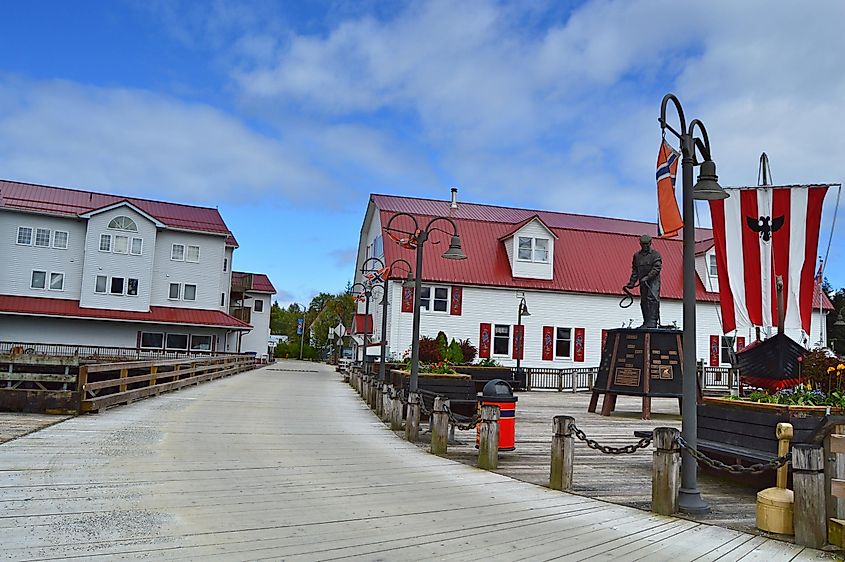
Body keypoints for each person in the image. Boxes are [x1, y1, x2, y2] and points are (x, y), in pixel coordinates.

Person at [625, 234, 662, 329]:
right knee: (644, 300)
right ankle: (646, 321)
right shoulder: (637, 256)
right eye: (643, 244)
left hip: (653, 281)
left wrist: (648, 277)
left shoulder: (655, 255)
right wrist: (632, 282)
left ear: (650, 243)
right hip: (642, 281)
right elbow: (635, 270)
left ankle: (653, 321)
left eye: (647, 244)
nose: (645, 246)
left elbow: (657, 268)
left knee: (652, 299)